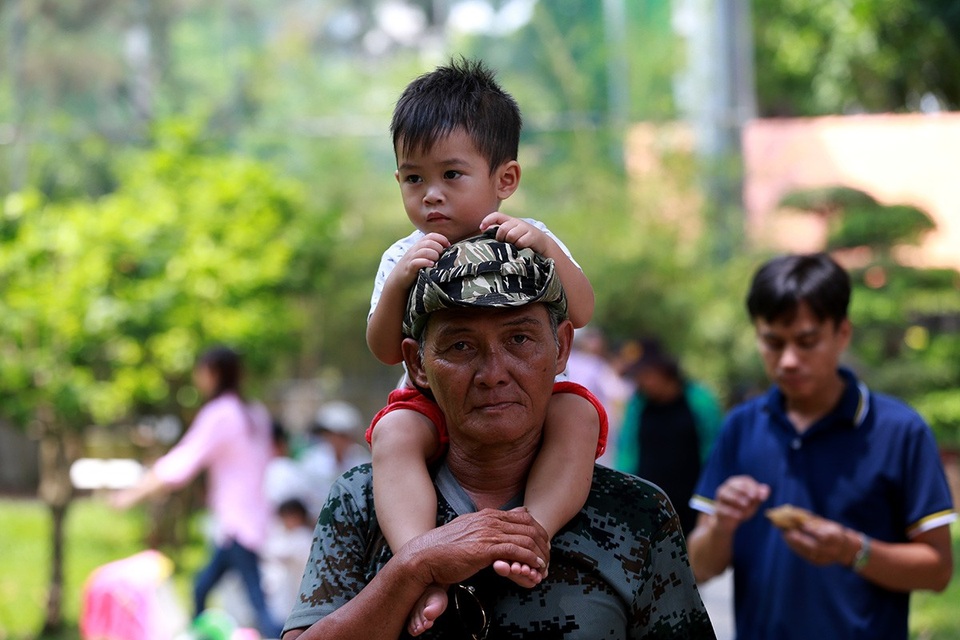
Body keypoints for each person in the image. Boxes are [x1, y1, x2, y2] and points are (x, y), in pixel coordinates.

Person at [282, 232, 715, 639]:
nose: (493, 374)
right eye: (461, 346)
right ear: (417, 365)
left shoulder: (635, 513)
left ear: (561, 347)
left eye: (520, 339)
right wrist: (415, 567)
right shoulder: (362, 501)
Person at [364, 58, 607, 630]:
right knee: (394, 434)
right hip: (432, 403)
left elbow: (585, 309)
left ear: (505, 179)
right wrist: (400, 282)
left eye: (452, 175)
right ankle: (418, 563)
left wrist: (546, 247)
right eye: (413, 178)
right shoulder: (404, 255)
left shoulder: (528, 238)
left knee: (578, 415)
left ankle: (534, 530)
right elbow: (381, 347)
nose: (431, 197)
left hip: (525, 405)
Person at [686, 253, 956, 640]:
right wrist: (723, 527)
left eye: (807, 341)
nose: (789, 360)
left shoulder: (900, 431)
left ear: (842, 333)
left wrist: (852, 550)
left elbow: (938, 570)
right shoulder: (741, 428)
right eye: (773, 342)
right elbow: (698, 566)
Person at [110, 346, 283, 639]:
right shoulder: (253, 414)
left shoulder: (223, 414)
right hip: (248, 521)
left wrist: (133, 494)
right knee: (201, 587)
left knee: (256, 603)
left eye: (200, 372)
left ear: (213, 373)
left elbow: (182, 462)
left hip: (237, 525)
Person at [615, 338, 723, 535]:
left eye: (645, 374)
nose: (641, 381)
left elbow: (715, 450)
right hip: (648, 506)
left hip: (691, 505)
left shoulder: (699, 400)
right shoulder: (637, 405)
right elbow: (627, 449)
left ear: (663, 370)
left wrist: (711, 496)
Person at [563, 325, 633, 467]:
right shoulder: (595, 366)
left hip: (565, 425)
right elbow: (618, 393)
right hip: (590, 430)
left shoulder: (564, 362)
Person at [298, 400, 371, 518]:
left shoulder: (361, 459)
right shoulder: (311, 460)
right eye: (334, 434)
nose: (338, 440)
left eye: (344, 435)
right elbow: (304, 496)